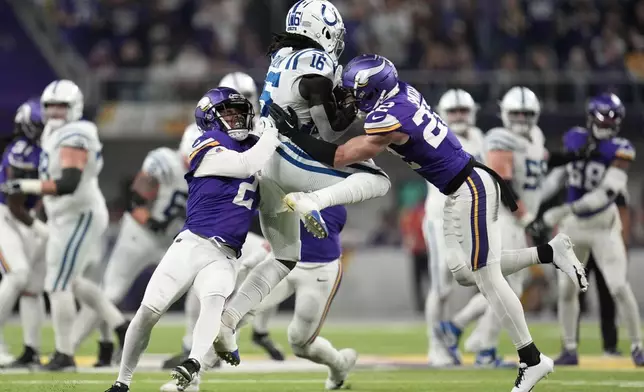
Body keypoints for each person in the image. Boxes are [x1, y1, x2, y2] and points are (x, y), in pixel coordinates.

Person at [269, 54, 591, 392]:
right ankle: (549, 252)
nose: (351, 97)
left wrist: (294, 135)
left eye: (354, 91)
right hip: (460, 189)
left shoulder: (387, 118)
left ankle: (532, 359)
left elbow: (341, 156)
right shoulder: (401, 94)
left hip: (470, 187)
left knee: (488, 277)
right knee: (465, 273)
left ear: (372, 90)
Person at [214, 0, 391, 363]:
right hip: (290, 159)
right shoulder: (318, 62)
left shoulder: (281, 57)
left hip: (265, 165)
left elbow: (312, 109)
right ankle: (316, 201)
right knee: (379, 179)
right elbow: (329, 129)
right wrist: (353, 105)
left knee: (283, 256)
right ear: (322, 31)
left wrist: (335, 101)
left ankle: (227, 321)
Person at [104, 87, 283, 392]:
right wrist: (271, 133)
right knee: (149, 311)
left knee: (213, 302)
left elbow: (273, 187)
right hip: (192, 243)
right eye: (228, 112)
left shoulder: (255, 149)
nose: (237, 117)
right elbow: (245, 165)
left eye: (240, 112)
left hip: (226, 253)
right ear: (210, 118)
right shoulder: (207, 144)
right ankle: (122, 381)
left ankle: (194, 364)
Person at [1, 80, 130, 371]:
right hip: (63, 216)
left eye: (62, 106)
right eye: (50, 106)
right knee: (68, 282)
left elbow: (68, 183)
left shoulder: (77, 133)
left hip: (79, 214)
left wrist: (27, 184)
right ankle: (121, 326)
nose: (55, 112)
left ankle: (64, 354)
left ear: (75, 108)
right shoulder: (52, 132)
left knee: (57, 284)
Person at [161, 205, 355, 392]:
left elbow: (322, 226)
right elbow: (278, 227)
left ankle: (339, 365)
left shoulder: (330, 194)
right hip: (282, 260)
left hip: (319, 269)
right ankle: (191, 379)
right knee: (232, 317)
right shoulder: (285, 184)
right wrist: (260, 254)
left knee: (300, 343)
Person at [71, 123, 198, 366]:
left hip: (173, 241)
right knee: (112, 292)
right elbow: (134, 201)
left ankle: (193, 348)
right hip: (139, 234)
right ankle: (70, 348)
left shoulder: (211, 169)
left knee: (200, 284)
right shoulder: (165, 162)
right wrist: (152, 222)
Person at [540, 93, 644, 366]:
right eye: (603, 117)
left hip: (603, 227)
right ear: (591, 116)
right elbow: (557, 177)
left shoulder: (622, 148)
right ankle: (570, 349)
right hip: (573, 229)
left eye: (613, 118)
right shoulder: (574, 138)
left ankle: (637, 346)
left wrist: (564, 209)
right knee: (566, 289)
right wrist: (531, 204)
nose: (608, 123)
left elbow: (605, 194)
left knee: (619, 287)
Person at [422, 89, 486, 367]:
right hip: (441, 219)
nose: (459, 116)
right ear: (442, 113)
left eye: (463, 111)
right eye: (454, 111)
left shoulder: (479, 137)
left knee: (490, 280)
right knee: (442, 288)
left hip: (471, 218)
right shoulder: (433, 136)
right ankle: (435, 346)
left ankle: (474, 337)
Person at [0, 99, 47, 368]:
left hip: (26, 217)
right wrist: (40, 227)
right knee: (17, 274)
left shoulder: (47, 147)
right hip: (6, 214)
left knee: (32, 287)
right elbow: (15, 202)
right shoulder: (21, 150)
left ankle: (31, 349)